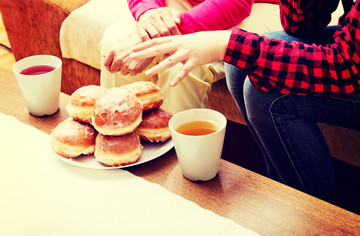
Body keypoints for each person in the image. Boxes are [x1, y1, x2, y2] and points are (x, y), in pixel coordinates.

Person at [129, 0, 360, 203]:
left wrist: (226, 43)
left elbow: (346, 67)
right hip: (351, 38)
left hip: (351, 61)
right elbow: (302, 24)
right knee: (238, 65)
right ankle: (284, 191)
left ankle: (319, 216)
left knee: (265, 95)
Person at [100, 0, 280, 114]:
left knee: (182, 67)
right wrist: (147, 13)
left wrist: (153, 42)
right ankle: (121, 152)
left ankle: (173, 169)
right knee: (115, 43)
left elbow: (235, 2)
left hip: (257, 4)